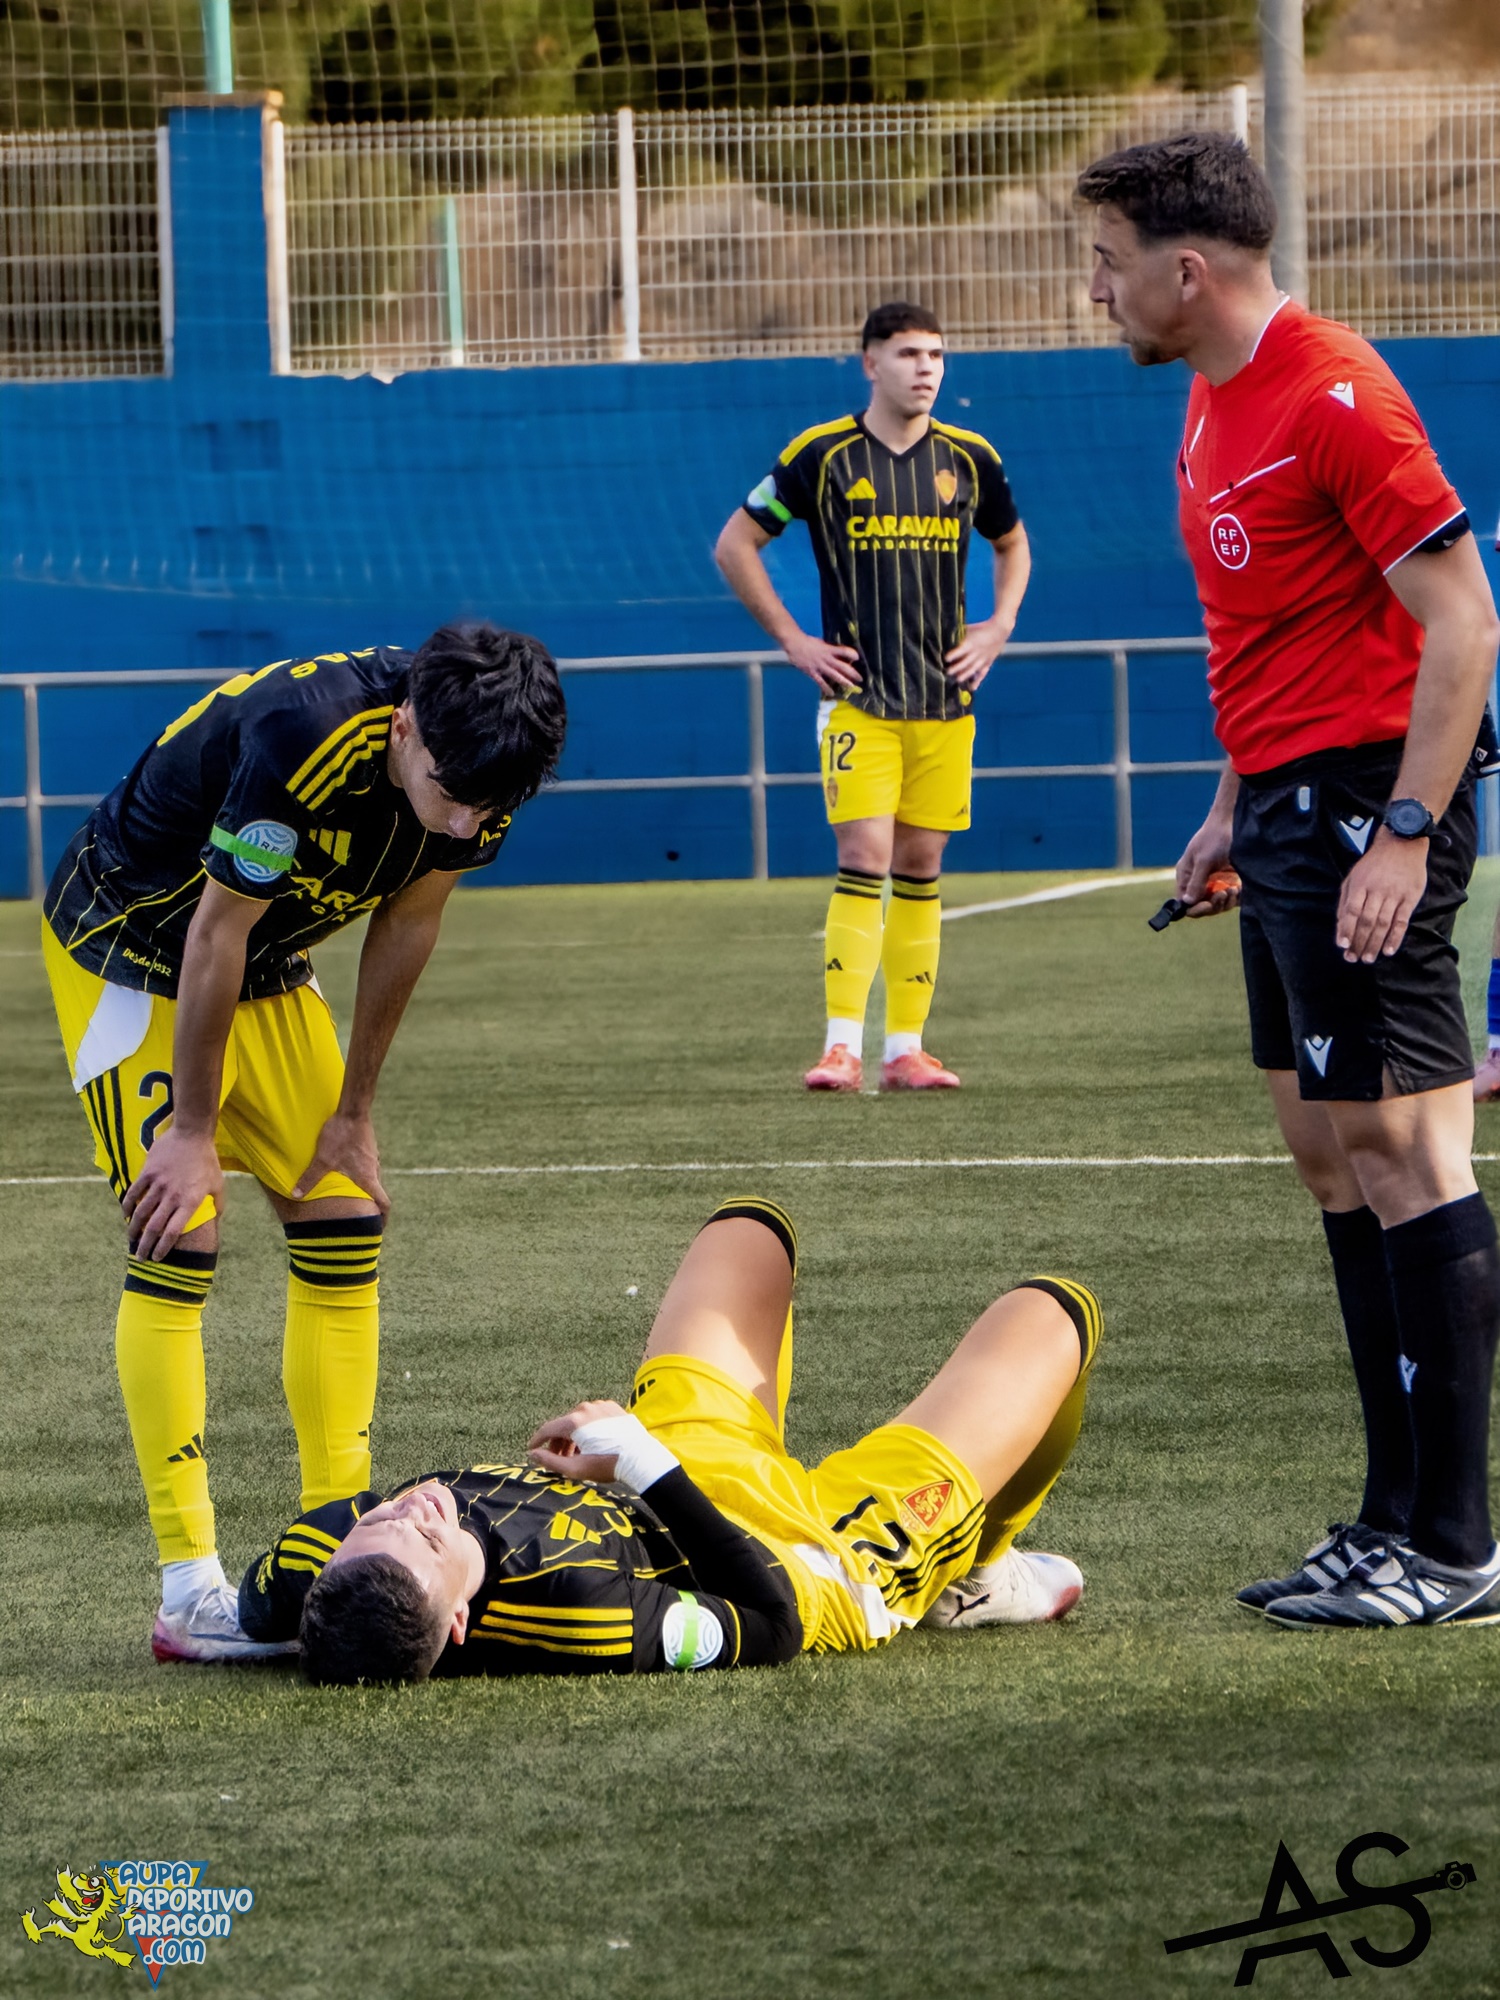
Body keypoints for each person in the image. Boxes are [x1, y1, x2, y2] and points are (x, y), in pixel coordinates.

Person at [1077, 131, 1500, 1628]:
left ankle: (1457, 1546)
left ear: (1188, 271)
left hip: (1367, 804)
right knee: (1330, 1154)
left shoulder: (1334, 395)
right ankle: (1389, 1521)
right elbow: (1268, 635)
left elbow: (1465, 622)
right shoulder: (1209, 395)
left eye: (1111, 264)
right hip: (1280, 811)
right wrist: (1228, 808)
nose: (1099, 290)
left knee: (1407, 1152)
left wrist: (1405, 830)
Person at [43, 623, 568, 1663]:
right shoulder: (303, 734)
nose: (466, 821)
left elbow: (409, 922)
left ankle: (341, 1533)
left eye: (487, 806)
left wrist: (354, 1112)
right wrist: (192, 1131)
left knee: (343, 1211)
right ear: (405, 727)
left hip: (269, 954)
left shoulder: (483, 766)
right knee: (180, 1227)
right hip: (133, 941)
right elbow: (213, 931)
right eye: (451, 793)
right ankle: (188, 1591)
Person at [236, 1197, 1100, 1682]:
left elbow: (253, 1608)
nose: (415, 1507)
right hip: (806, 1556)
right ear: (459, 1622)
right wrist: (643, 1462)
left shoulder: (325, 1561)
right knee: (1058, 1313)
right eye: (426, 1538)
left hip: (670, 1466)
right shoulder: (580, 1615)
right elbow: (773, 1623)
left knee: (748, 1230)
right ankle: (977, 1573)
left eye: (381, 1518)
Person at [714, 301, 1032, 1094]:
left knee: (921, 866)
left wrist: (998, 627)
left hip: (945, 703)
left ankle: (906, 1051)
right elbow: (736, 543)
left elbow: (1012, 543)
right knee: (863, 859)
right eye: (909, 354)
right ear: (870, 364)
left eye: (936, 355)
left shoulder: (971, 457)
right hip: (859, 702)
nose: (926, 369)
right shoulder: (820, 455)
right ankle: (840, 1049)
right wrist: (794, 640)